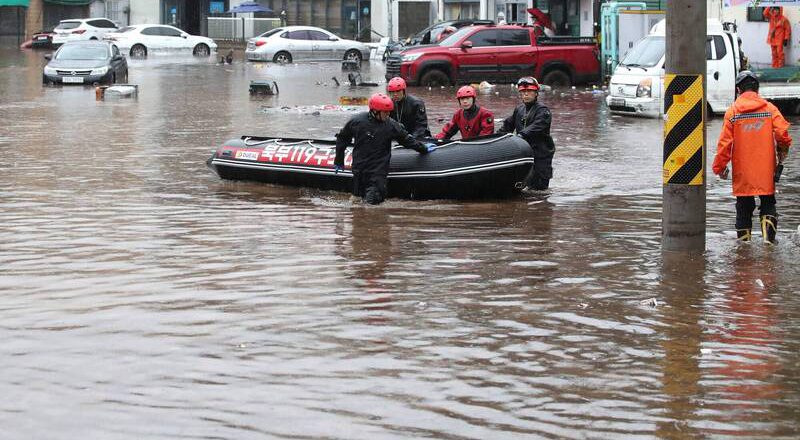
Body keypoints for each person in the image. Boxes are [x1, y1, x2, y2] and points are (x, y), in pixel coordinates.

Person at [712, 70, 791, 244]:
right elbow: (783, 133)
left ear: (738, 90)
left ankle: (744, 247)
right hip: (766, 169)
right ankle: (768, 243)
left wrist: (719, 167)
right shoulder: (769, 109)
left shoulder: (732, 112)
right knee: (768, 202)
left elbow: (725, 144)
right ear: (757, 89)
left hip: (743, 170)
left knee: (743, 207)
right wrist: (782, 149)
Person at [334, 93, 437, 205]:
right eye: (385, 112)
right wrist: (339, 159)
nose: (388, 114)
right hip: (359, 172)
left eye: (389, 111)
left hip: (377, 174)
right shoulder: (357, 121)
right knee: (356, 206)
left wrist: (424, 148)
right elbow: (342, 138)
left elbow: (407, 140)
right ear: (375, 111)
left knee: (372, 207)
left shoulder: (391, 125)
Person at [498, 77, 555, 191]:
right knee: (524, 186)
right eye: (523, 92)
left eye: (529, 91)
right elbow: (508, 126)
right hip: (524, 153)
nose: (526, 94)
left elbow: (537, 126)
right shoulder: (519, 109)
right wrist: (497, 138)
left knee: (540, 190)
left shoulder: (543, 111)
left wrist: (520, 136)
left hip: (541, 154)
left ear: (536, 93)